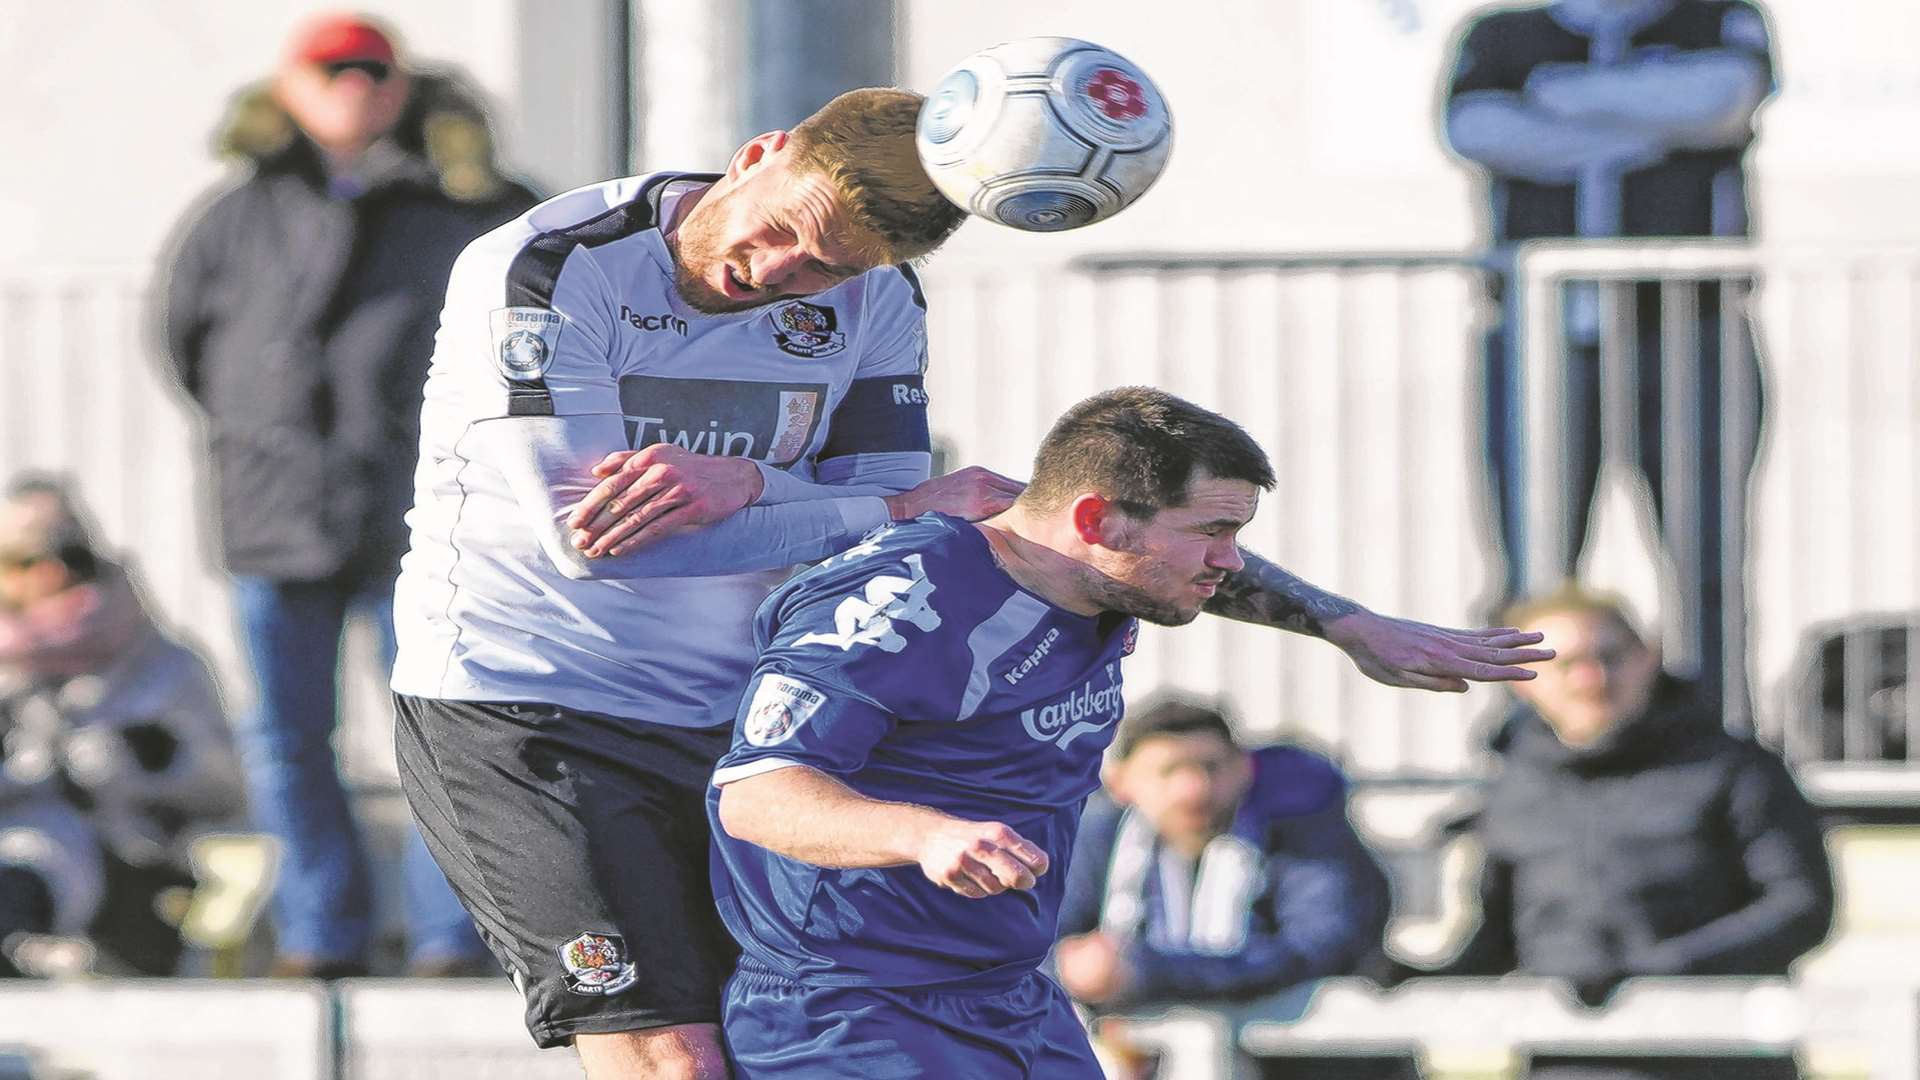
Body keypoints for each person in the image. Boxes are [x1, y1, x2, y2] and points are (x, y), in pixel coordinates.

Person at [390, 85, 1548, 1075]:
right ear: (760, 155)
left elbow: (1062, 538)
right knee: (670, 1054)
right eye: (791, 231)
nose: (783, 274)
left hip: (731, 703)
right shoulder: (554, 266)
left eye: (831, 267)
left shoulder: (877, 300)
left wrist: (1346, 625)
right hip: (529, 705)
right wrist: (858, 504)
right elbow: (590, 540)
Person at [708, 387, 1552, 1078]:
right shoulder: (907, 606)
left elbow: (1194, 565)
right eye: (1214, 532)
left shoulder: (1086, 563)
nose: (1228, 559)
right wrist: (922, 834)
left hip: (1010, 996)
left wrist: (1348, 624)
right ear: (1097, 522)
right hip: (853, 1009)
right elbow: (757, 794)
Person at [157, 12, 537, 978]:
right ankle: (321, 933)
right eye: (329, 70)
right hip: (272, 516)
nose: (352, 86)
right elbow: (184, 345)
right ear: (287, 85)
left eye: (372, 69)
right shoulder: (235, 215)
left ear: (403, 85)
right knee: (287, 742)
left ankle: (455, 936)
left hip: (427, 519)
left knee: (444, 728)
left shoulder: (469, 205)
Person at [1442, 0, 1776, 716]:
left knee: (1705, 560)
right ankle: (1527, 741)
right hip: (1541, 338)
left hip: (1692, 334)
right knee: (1533, 561)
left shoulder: (1718, 17)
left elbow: (1721, 101)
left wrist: (1563, 96)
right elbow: (1478, 130)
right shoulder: (1501, 34)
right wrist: (1649, 129)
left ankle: (1719, 737)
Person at [1403, 586, 1833, 1080]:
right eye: (1564, 664)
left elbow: (1800, 907)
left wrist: (1655, 973)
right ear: (1523, 681)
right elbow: (1496, 943)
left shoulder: (1735, 769)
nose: (1591, 678)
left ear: (1648, 658)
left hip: (1717, 1060)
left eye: (1609, 656)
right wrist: (1419, 979)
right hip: (1569, 1064)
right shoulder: (1513, 788)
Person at [1054, 696, 1395, 1077]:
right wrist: (1075, 968)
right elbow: (1041, 947)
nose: (1193, 788)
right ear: (1121, 783)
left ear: (1244, 768)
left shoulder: (1301, 826)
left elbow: (1320, 946)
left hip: (1310, 1064)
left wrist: (1145, 971)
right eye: (1167, 771)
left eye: (1210, 767)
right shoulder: (1097, 834)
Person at [0, 476, 245, 975]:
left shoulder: (161, 664)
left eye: (64, 554)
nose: (43, 575)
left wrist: (138, 764)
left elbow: (228, 790)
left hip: (142, 871)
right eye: (17, 561)